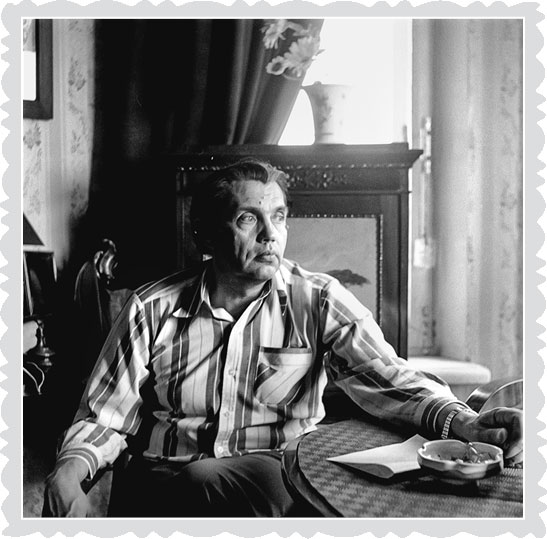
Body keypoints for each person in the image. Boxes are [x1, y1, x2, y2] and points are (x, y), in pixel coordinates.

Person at [44, 159, 523, 517]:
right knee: (184, 482)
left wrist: (465, 423)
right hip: (163, 477)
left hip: (272, 470)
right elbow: (104, 417)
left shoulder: (318, 299)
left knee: (209, 481)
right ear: (206, 237)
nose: (271, 234)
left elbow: (390, 378)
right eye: (249, 219)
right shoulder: (152, 308)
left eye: (280, 216)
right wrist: (69, 471)